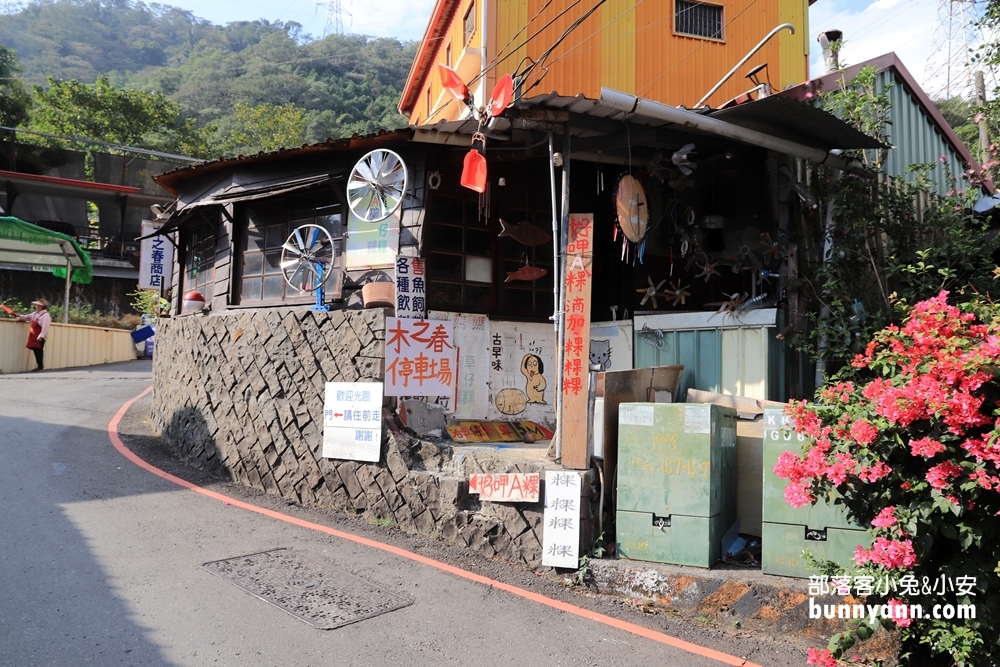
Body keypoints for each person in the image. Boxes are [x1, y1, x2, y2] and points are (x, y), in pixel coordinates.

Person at [17, 298, 51, 371]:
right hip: (34, 335)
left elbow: (45, 327)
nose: (36, 306)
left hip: (40, 336)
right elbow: (27, 317)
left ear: (41, 306)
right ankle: (39, 366)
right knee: (35, 350)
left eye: (37, 305)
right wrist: (19, 316)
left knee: (39, 350)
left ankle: (40, 367)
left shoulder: (46, 315)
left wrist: (41, 336)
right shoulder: (35, 314)